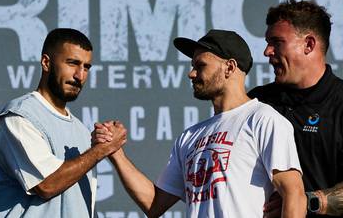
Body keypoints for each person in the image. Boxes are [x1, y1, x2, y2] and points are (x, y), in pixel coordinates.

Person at [94, 29, 306, 217]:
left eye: (200, 65)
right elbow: (153, 204)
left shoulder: (263, 119)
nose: (191, 73)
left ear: (229, 68)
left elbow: (293, 194)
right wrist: (115, 153)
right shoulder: (189, 136)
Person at [0, 28, 126, 217]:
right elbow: (46, 185)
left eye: (86, 67)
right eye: (72, 63)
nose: (80, 75)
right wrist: (100, 151)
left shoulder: (80, 130)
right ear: (46, 62)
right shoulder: (18, 118)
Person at [248, 0, 343, 218]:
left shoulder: (339, 103)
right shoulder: (257, 102)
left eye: (276, 42)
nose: (267, 51)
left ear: (309, 45)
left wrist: (305, 201)